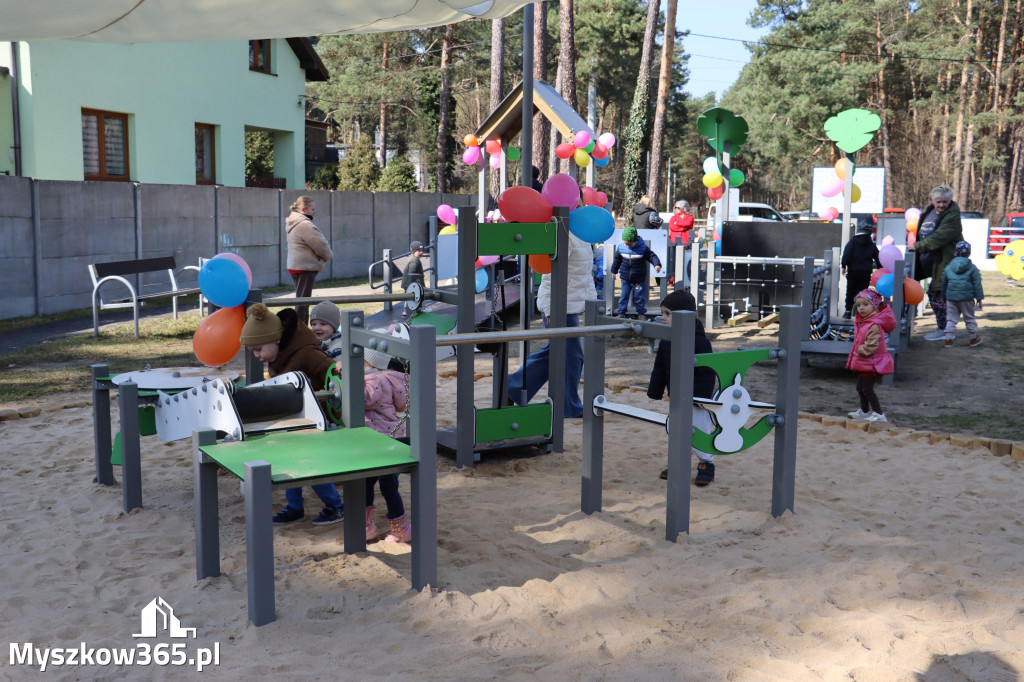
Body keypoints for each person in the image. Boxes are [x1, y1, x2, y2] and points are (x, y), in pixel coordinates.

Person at [240, 302, 344, 526]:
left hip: (316, 420)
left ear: (276, 340)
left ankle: (336, 506)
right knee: (289, 461)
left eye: (259, 349)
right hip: (293, 419)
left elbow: (333, 373)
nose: (257, 355)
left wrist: (332, 381)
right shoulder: (276, 357)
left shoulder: (306, 353)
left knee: (310, 463)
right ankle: (295, 507)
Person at [507, 231, 596, 418]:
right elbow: (550, 275)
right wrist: (550, 309)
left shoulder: (582, 235)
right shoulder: (564, 234)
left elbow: (585, 274)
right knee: (572, 357)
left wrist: (592, 302)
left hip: (568, 305)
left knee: (556, 354)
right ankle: (568, 406)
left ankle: (512, 387)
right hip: (559, 306)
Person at [648, 290, 719, 486]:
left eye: (668, 313)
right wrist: (655, 391)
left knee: (699, 431)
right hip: (678, 396)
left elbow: (708, 371)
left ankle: (706, 463)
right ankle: (678, 463)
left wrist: (700, 398)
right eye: (662, 313)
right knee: (676, 430)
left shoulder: (699, 341)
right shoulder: (667, 339)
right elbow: (660, 368)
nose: (663, 317)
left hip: (697, 399)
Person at [359, 347, 412, 543]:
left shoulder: (373, 379)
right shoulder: (388, 378)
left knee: (371, 484)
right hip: (389, 438)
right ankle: (399, 529)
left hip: (377, 441)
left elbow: (367, 399)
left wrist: (348, 377)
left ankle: (372, 527)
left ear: (367, 363)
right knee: (386, 487)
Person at [907, 185, 964, 341]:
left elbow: (938, 238)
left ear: (950, 201)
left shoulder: (952, 217)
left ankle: (945, 330)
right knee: (936, 294)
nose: (941, 205)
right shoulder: (930, 211)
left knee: (938, 295)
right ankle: (944, 328)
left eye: (945, 202)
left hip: (946, 261)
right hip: (931, 261)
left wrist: (917, 246)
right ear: (932, 201)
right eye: (938, 202)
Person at [845, 288, 897, 422]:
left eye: (865, 304)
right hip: (865, 361)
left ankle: (879, 414)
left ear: (874, 306)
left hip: (871, 362)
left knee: (867, 389)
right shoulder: (864, 322)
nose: (861, 308)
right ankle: (864, 411)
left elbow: (871, 346)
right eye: (858, 305)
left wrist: (859, 350)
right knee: (860, 387)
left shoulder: (874, 324)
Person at [286, 195, 333, 325]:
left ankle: (299, 329)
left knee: (301, 300)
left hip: (296, 266)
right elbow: (321, 245)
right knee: (303, 303)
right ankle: (300, 330)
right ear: (303, 209)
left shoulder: (294, 222)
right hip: (305, 267)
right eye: (312, 209)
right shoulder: (305, 224)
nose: (314, 212)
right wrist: (328, 256)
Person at [611, 226, 662, 318]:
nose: (628, 246)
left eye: (630, 244)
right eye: (626, 243)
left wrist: (656, 264)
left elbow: (652, 256)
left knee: (639, 297)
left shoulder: (642, 248)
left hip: (638, 278)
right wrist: (614, 271)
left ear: (635, 241)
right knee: (624, 296)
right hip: (625, 277)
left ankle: (641, 313)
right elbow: (617, 260)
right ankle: (621, 312)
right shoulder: (621, 248)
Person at [940, 240, 984, 348]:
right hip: (966, 298)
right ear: (969, 253)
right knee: (969, 317)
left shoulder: (949, 267)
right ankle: (973, 338)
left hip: (951, 297)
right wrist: (979, 298)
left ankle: (948, 339)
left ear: (956, 251)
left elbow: (944, 283)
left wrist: (943, 296)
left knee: (951, 318)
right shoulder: (972, 268)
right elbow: (977, 283)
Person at [840, 219, 880, 318]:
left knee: (850, 291)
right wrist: (880, 268)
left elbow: (847, 254)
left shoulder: (852, 242)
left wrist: (843, 265)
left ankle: (848, 311)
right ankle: (860, 313)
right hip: (865, 272)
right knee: (862, 292)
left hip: (853, 271)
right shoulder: (871, 245)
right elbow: (878, 257)